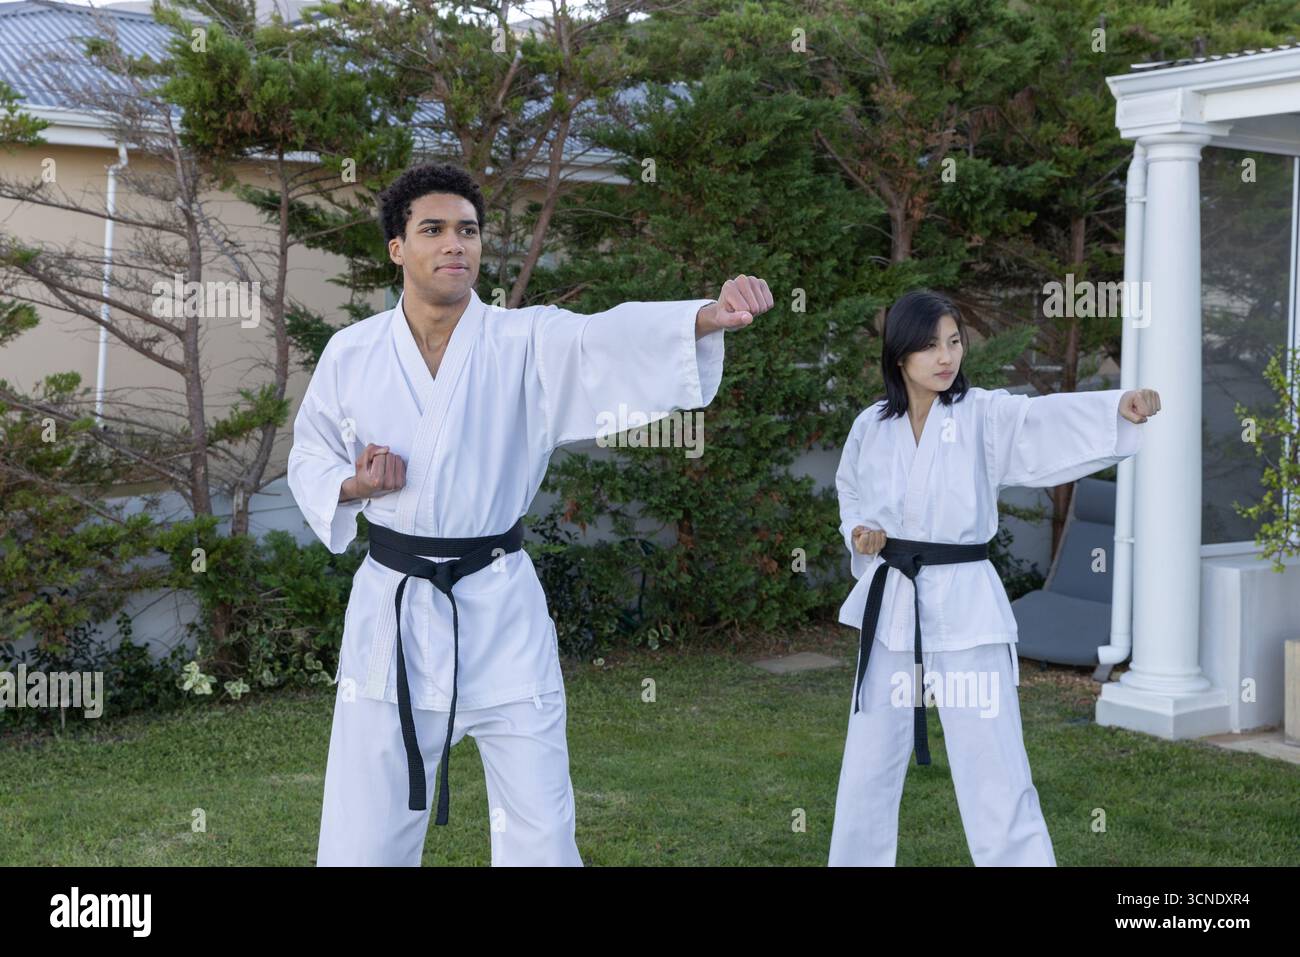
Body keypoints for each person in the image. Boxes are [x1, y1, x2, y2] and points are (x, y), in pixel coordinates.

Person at [287, 162, 773, 865]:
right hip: (393, 613)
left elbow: (603, 341)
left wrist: (700, 317)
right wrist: (350, 487)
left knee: (541, 831)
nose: (456, 244)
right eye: (434, 229)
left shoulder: (524, 341)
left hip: (498, 605)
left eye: (469, 230)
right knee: (365, 830)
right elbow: (309, 453)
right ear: (397, 247)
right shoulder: (353, 353)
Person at [828, 288, 1160, 866]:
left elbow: (1042, 420)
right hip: (893, 605)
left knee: (995, 772)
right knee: (866, 770)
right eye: (930, 345)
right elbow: (851, 490)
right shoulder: (871, 425)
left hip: (967, 610)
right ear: (900, 353)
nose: (945, 356)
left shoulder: (982, 414)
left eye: (954, 342)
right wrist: (861, 532)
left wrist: (1117, 407)